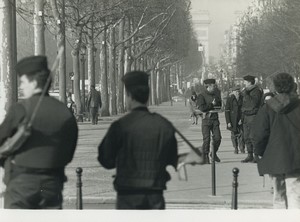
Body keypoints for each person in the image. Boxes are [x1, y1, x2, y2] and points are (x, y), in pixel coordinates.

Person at [0, 55, 78, 209]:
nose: (21, 87)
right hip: (52, 184)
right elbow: (69, 152)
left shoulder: (20, 109)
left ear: (34, 82)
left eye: (23, 82)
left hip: (21, 184)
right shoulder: (65, 112)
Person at [97, 71, 178, 210]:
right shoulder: (164, 125)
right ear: (148, 96)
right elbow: (172, 158)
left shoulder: (120, 126)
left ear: (129, 96)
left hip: (128, 194)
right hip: (155, 193)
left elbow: (106, 160)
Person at [253, 72, 300, 209]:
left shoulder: (267, 108)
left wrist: (259, 152)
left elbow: (260, 134)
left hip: (274, 157)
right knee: (295, 194)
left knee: (278, 196)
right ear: (292, 86)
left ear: (275, 88)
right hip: (297, 157)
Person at [197, 78, 222, 164]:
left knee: (218, 138)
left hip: (215, 119)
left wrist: (216, 104)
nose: (214, 87)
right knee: (206, 139)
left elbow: (220, 105)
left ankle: (213, 153)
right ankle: (205, 156)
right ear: (208, 86)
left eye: (215, 86)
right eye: (213, 86)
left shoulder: (216, 94)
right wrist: (212, 105)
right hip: (206, 120)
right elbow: (202, 108)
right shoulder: (201, 95)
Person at [240, 75, 263, 163]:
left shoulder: (256, 91)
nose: (244, 83)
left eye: (245, 81)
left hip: (253, 116)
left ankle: (256, 156)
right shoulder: (246, 91)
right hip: (246, 116)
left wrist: (246, 94)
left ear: (249, 82)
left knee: (253, 137)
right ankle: (249, 155)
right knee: (246, 137)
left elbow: (253, 103)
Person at [225, 85, 245, 154]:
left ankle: (242, 148)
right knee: (233, 135)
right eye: (236, 92)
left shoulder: (242, 98)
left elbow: (243, 110)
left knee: (241, 134)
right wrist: (228, 122)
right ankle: (235, 148)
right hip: (232, 120)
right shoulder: (230, 99)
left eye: (238, 91)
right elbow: (227, 111)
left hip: (240, 119)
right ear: (233, 92)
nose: (238, 93)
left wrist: (241, 119)